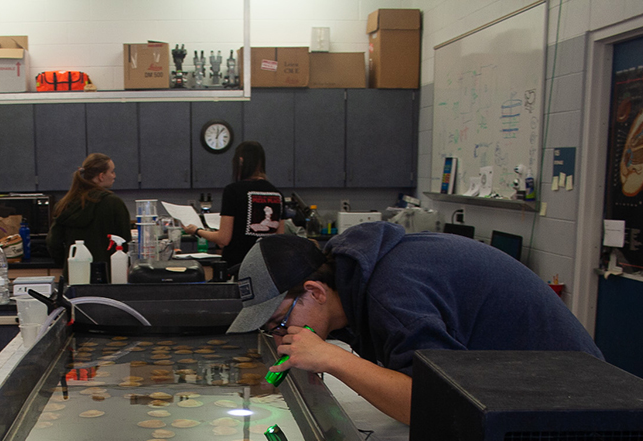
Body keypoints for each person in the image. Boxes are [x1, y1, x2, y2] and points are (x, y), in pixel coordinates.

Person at [226, 223, 602, 424]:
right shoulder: (359, 279)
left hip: (576, 411)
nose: (280, 339)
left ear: (315, 291)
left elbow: (436, 407)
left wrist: (332, 359)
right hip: (522, 399)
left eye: (280, 323)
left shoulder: (390, 291)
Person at [183, 140, 285, 269]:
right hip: (267, 266)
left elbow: (224, 239)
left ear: (240, 161)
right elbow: (280, 239)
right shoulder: (277, 194)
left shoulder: (233, 191)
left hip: (238, 266)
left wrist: (197, 231)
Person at [46, 153, 131, 273]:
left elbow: (53, 243)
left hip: (74, 274)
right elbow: (125, 242)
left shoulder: (64, 204)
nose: (114, 176)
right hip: (107, 275)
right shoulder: (113, 203)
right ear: (101, 176)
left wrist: (68, 263)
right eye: (112, 171)